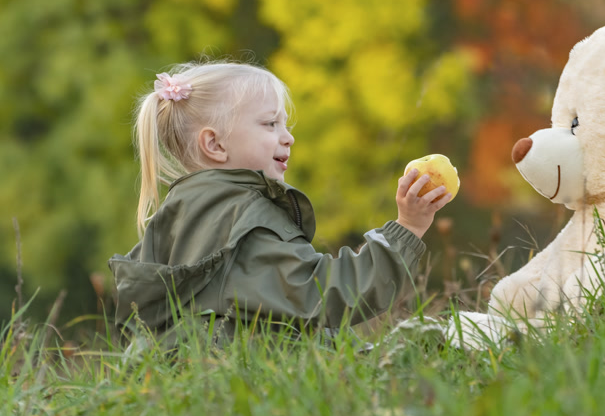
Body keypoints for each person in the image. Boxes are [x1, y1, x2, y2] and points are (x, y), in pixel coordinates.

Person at [108, 60, 452, 344]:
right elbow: (323, 295)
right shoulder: (243, 220)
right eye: (270, 123)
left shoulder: (183, 212)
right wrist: (407, 229)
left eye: (284, 124)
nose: (287, 137)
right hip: (250, 387)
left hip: (209, 386)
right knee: (434, 342)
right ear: (214, 145)